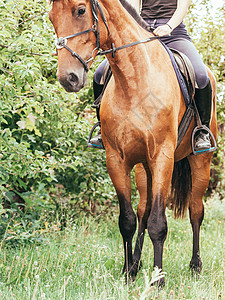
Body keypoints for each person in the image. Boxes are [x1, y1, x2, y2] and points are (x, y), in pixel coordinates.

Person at [88, 0, 213, 152]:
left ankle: (202, 130)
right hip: (143, 33)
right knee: (100, 74)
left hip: (174, 35)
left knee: (201, 76)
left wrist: (168, 26)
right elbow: (133, 7)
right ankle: (102, 129)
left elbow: (182, 8)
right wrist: (134, 28)